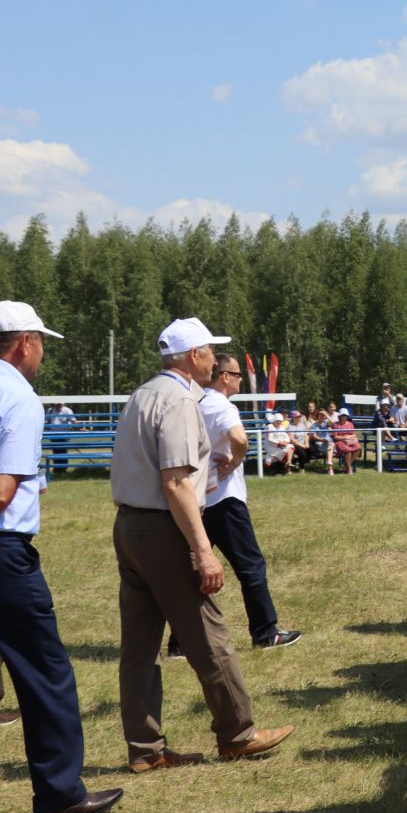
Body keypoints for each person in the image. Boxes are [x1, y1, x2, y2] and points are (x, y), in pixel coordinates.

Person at [0, 302, 123, 813]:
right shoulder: (18, 398)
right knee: (44, 672)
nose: (42, 353)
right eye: (42, 343)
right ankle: (58, 794)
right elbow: (0, 492)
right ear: (24, 343)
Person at [112, 317, 292, 772]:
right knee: (209, 636)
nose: (215, 359)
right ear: (194, 356)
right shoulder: (178, 402)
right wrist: (202, 548)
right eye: (211, 350)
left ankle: (145, 749)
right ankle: (237, 733)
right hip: (162, 528)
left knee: (139, 647)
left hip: (130, 525)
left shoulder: (143, 394)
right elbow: (175, 483)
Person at [187, 353, 300, 651]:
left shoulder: (194, 403)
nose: (239, 381)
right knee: (251, 566)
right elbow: (240, 439)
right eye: (237, 376)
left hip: (197, 499)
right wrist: (236, 460)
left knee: (194, 570)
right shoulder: (222, 404)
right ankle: (266, 632)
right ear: (224, 376)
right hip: (225, 498)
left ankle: (180, 642)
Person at [331, 409, 360, 475]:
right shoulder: (335, 424)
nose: (344, 417)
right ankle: (349, 469)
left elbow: (354, 434)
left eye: (345, 415)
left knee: (358, 447)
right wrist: (344, 438)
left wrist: (348, 438)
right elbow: (335, 437)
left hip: (350, 440)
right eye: (342, 415)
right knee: (347, 450)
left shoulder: (350, 424)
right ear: (339, 416)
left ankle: (345, 466)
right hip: (340, 441)